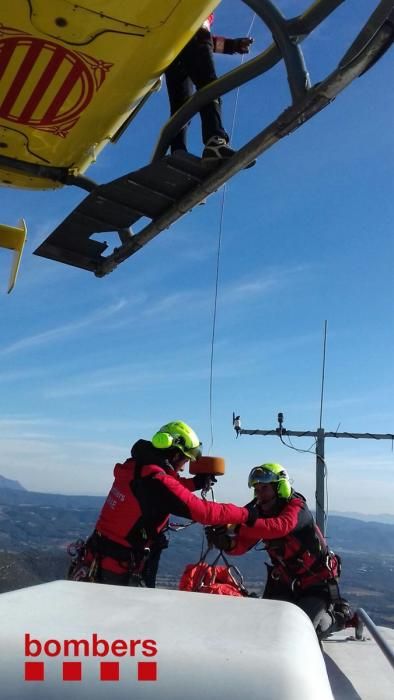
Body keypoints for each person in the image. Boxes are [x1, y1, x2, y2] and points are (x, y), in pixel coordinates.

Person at [68, 421, 255, 587]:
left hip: (98, 556)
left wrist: (194, 483)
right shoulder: (156, 481)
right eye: (185, 459)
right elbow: (203, 512)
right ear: (174, 455)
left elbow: (161, 490)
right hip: (120, 570)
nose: (184, 466)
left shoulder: (136, 467)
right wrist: (247, 514)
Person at [206, 463, 356, 640]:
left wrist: (242, 522)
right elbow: (241, 546)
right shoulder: (260, 513)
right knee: (269, 627)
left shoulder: (296, 508)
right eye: (257, 490)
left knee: (304, 632)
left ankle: (340, 617)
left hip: (316, 583)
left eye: (265, 489)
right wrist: (226, 542)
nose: (260, 494)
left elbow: (279, 527)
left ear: (280, 487)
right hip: (284, 581)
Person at [165, 13, 253, 162]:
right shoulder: (201, 11)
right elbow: (202, 36)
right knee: (210, 88)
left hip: (168, 48)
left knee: (181, 107)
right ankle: (215, 140)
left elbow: (208, 40)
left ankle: (177, 152)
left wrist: (232, 45)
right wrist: (232, 46)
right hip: (192, 37)